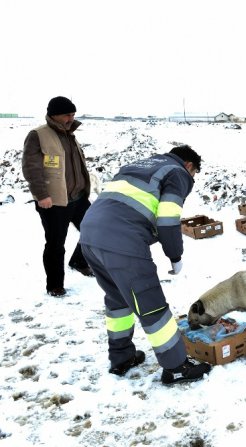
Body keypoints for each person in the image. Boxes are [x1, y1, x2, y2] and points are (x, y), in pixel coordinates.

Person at [79, 145, 211, 385]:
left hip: (89, 234)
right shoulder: (177, 172)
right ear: (189, 166)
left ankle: (121, 357)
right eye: (194, 174)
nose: (191, 179)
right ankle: (176, 367)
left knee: (118, 299)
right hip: (121, 239)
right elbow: (168, 218)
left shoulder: (141, 165)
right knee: (150, 303)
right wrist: (175, 255)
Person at [22, 96, 94, 298]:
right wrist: (41, 195)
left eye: (73, 114)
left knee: (94, 231)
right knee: (55, 244)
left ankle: (79, 261)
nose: (71, 118)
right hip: (54, 201)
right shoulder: (38, 135)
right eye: (67, 115)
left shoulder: (70, 134)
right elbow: (31, 168)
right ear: (54, 115)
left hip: (78, 197)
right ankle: (55, 285)